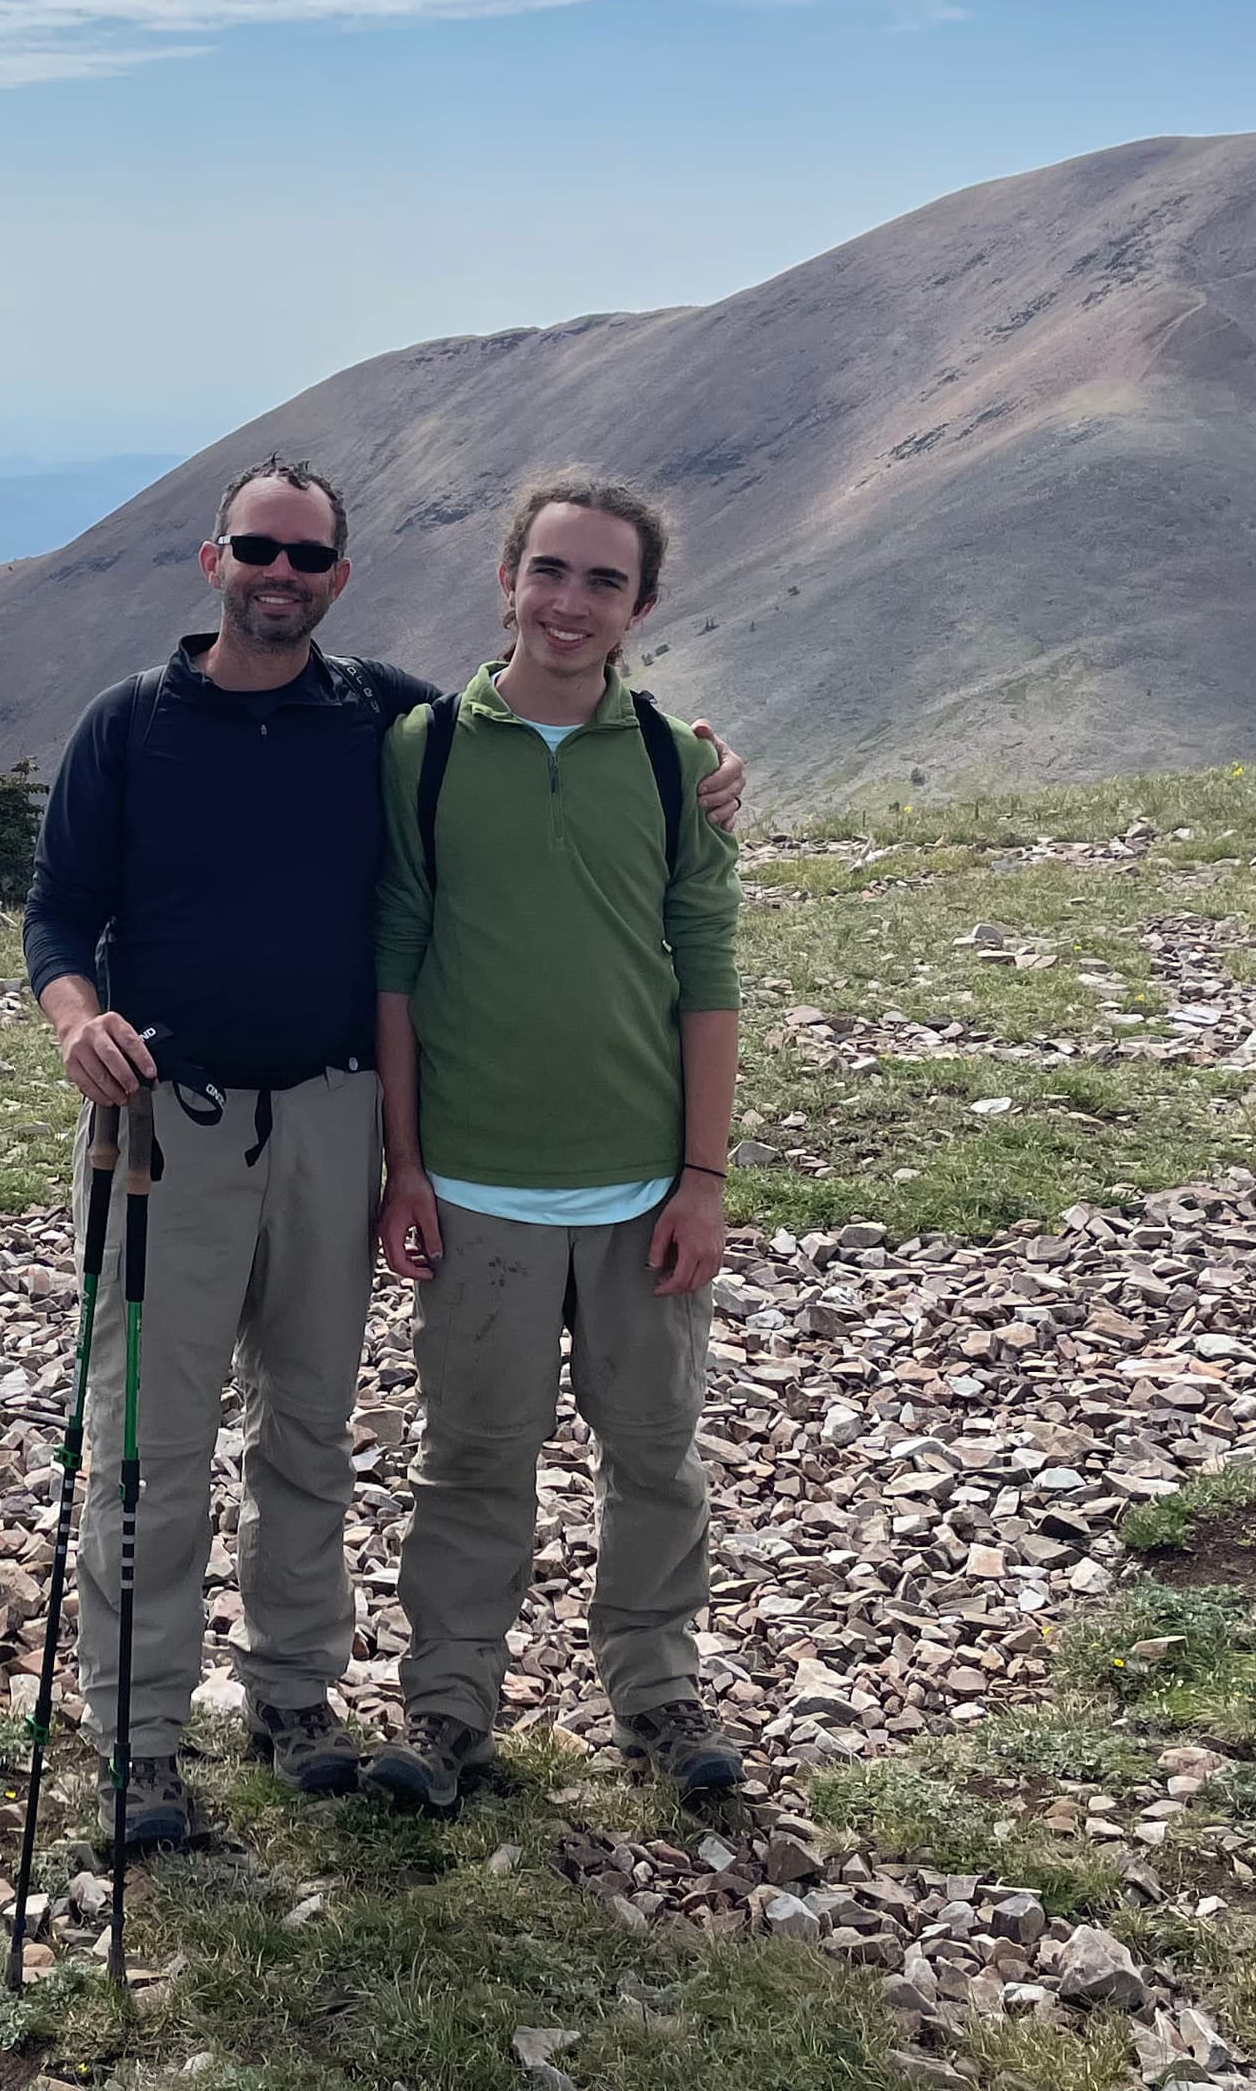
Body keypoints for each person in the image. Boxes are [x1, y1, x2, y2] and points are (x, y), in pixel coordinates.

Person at [25, 457, 743, 1845]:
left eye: (307, 558)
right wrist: (76, 1021)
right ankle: (141, 1733)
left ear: (341, 578)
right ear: (213, 558)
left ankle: (297, 1699)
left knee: (307, 1428)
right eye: (258, 549)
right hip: (163, 1123)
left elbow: (562, 735)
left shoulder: (387, 721)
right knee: (149, 1442)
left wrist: (711, 764)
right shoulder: (128, 728)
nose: (280, 575)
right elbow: (59, 912)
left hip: (336, 1113)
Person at [363, 470, 745, 1816]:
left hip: (644, 1182)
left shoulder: (672, 760)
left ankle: (657, 1693)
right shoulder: (423, 750)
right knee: (473, 1459)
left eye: (602, 581)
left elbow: (707, 968)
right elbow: (396, 965)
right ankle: (450, 1705)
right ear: (506, 578)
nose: (569, 604)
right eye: (550, 572)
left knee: (655, 1453)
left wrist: (704, 1178)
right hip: (476, 1185)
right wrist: (403, 1166)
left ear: (643, 604)